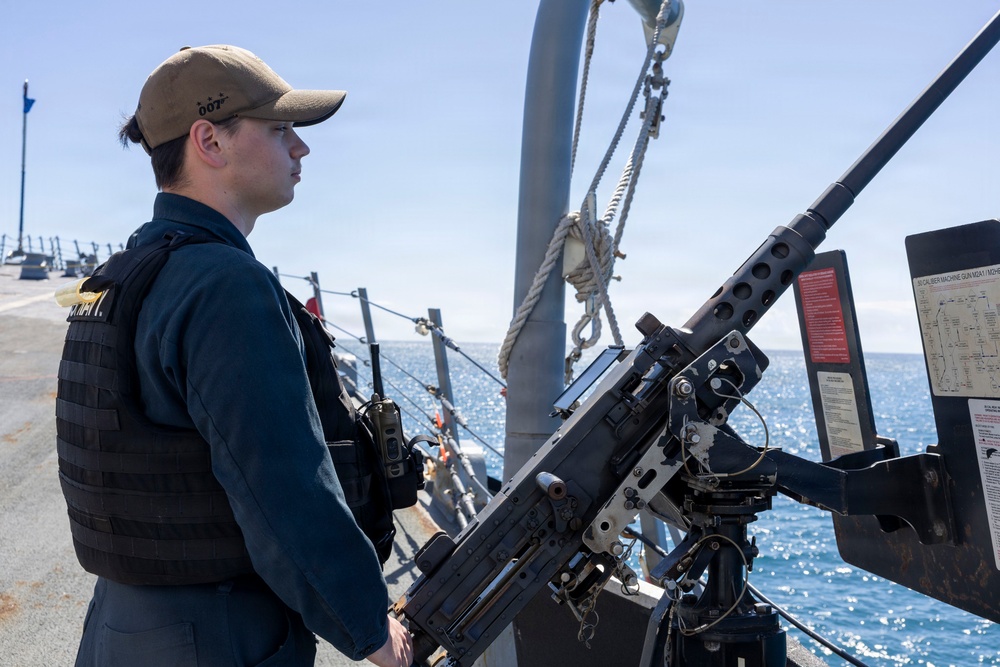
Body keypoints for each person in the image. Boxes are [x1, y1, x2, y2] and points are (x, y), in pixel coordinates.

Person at [55, 45, 413, 666]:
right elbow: (283, 486)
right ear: (209, 141)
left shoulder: (126, 275)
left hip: (122, 628)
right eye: (279, 129)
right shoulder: (225, 286)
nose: (300, 148)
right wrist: (370, 627)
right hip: (219, 634)